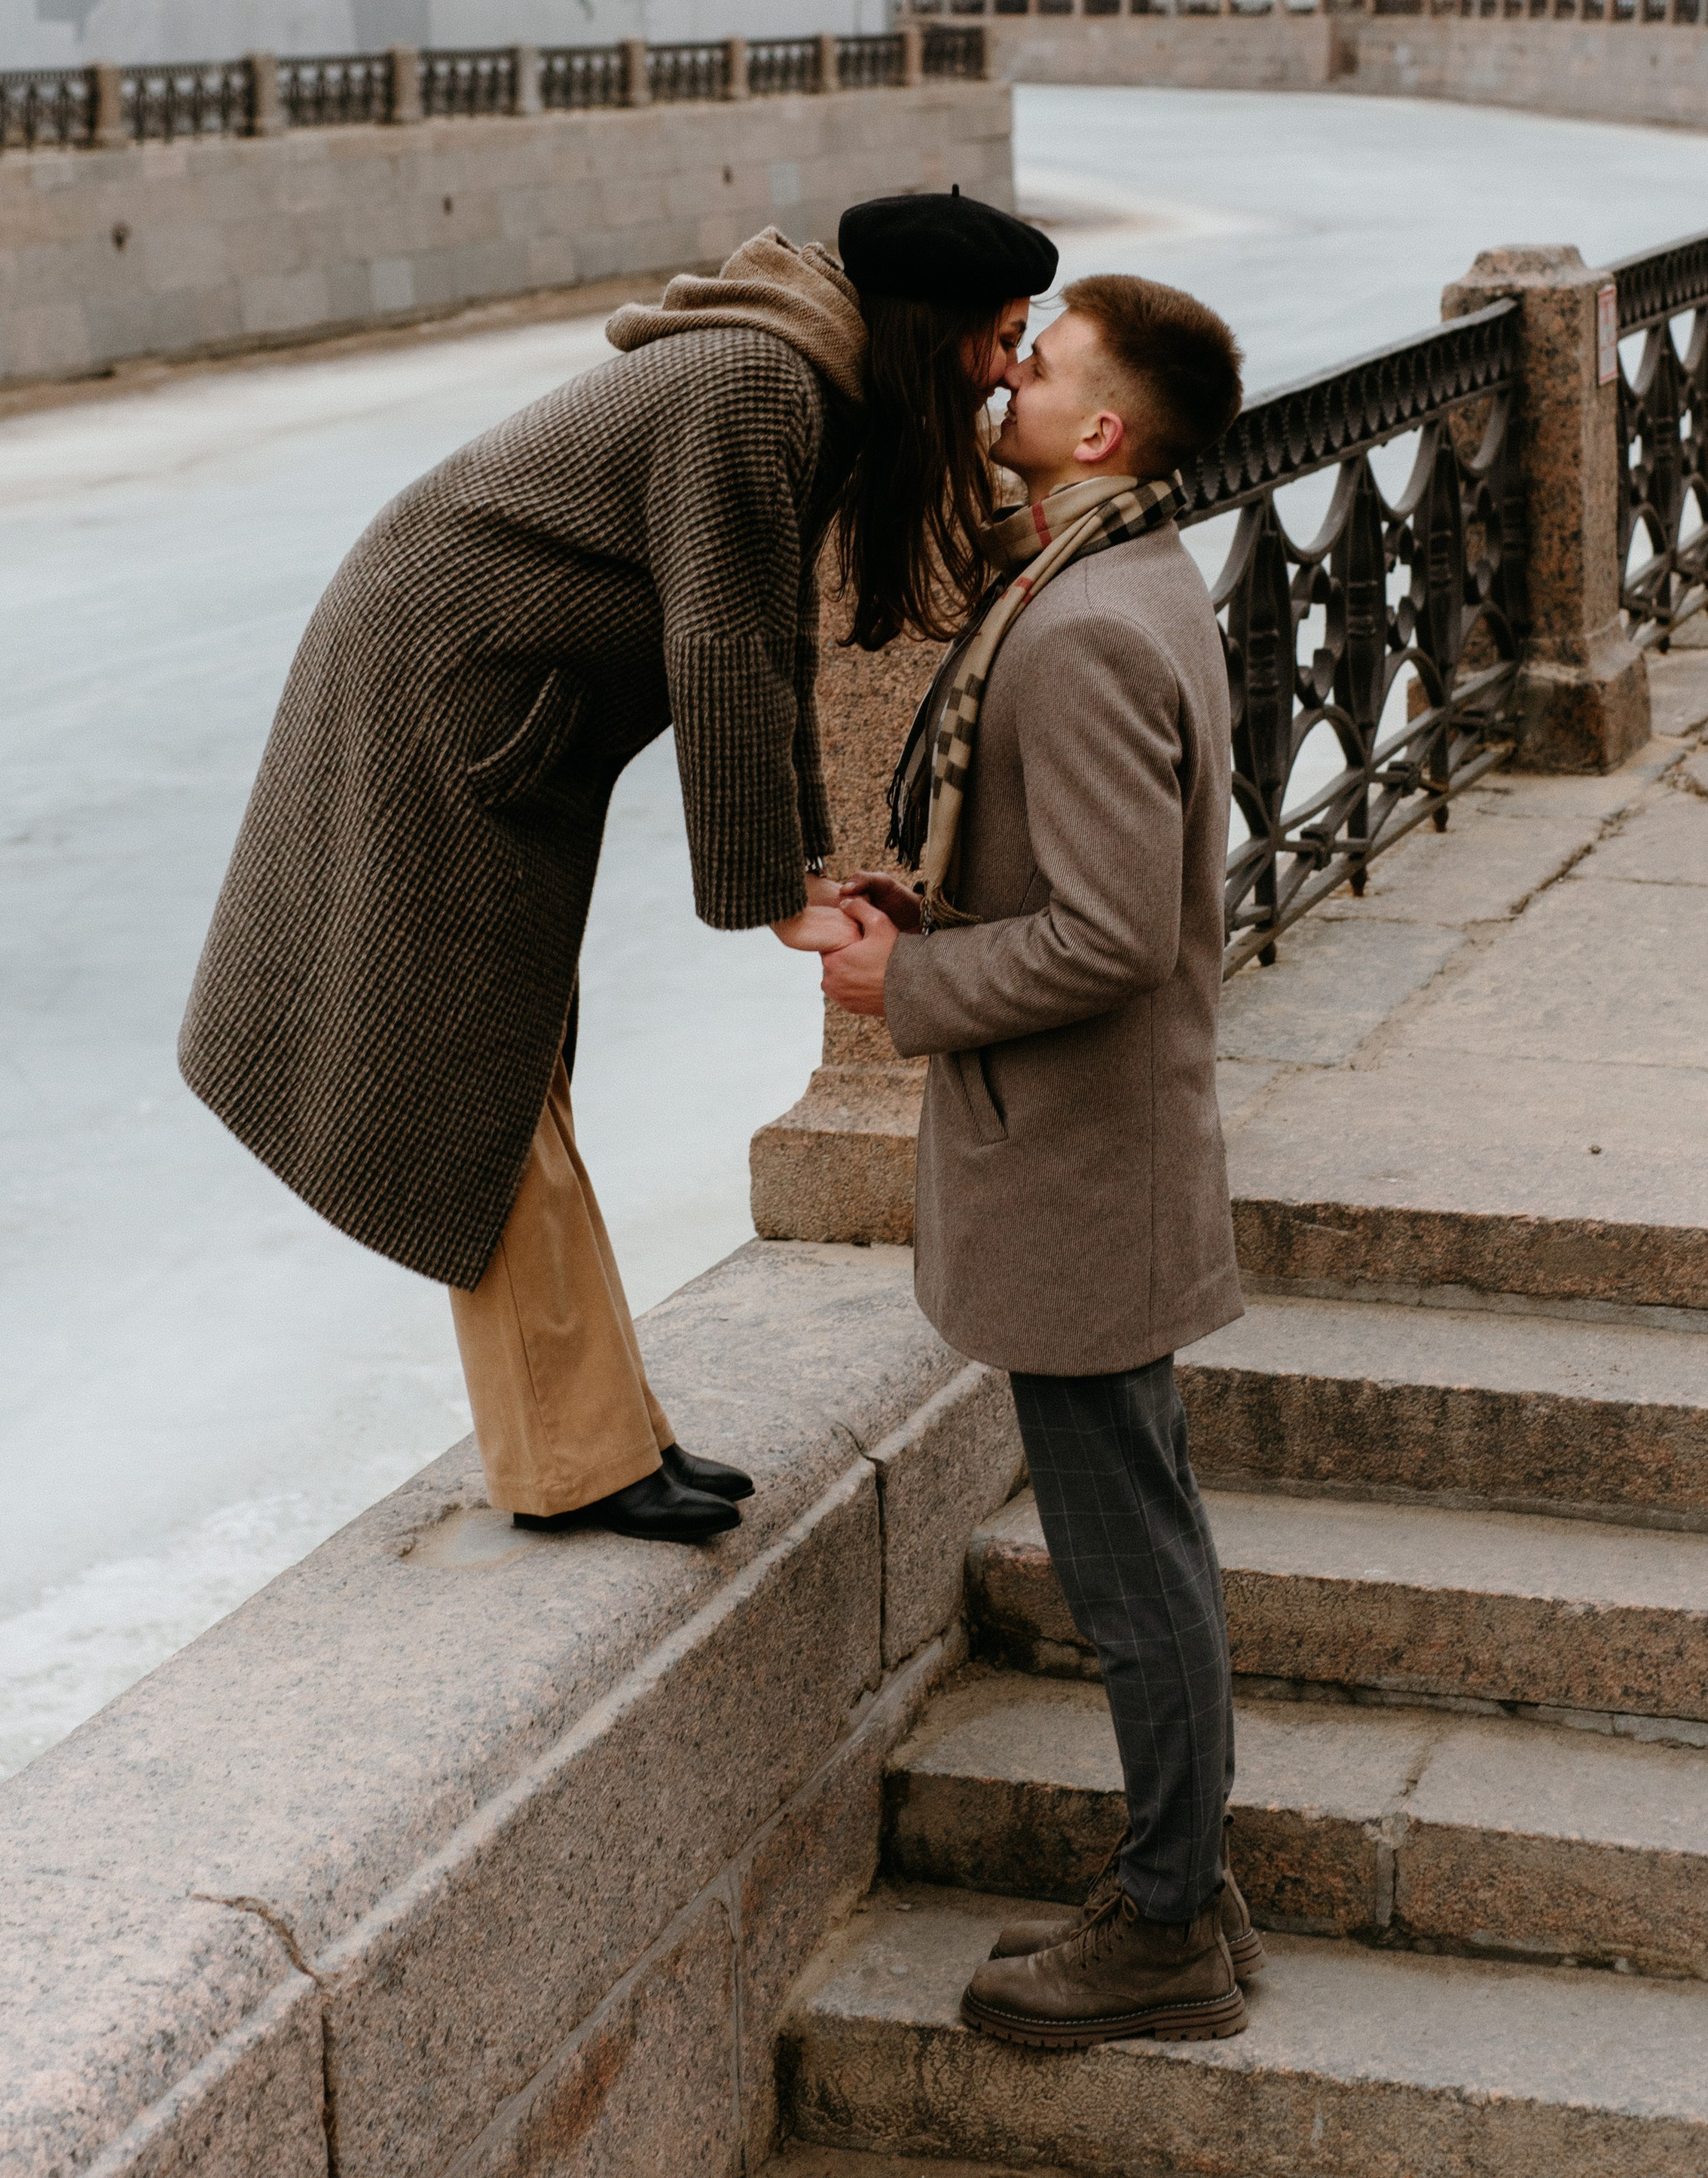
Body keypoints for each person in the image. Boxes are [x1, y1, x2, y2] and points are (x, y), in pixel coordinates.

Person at [179, 197, 1057, 1547]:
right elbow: (716, 647)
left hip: (483, 701)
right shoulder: (762, 384)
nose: (1009, 369)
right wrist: (772, 894)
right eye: (1000, 340)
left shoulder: (799, 378)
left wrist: (801, 865)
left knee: (518, 1072)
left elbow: (767, 644)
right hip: (441, 702)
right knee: (485, 1086)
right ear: (932, 329)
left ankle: (597, 1432)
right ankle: (572, 1464)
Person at [823, 271, 1254, 2045]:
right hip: (1100, 1155)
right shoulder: (1122, 578)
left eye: (1039, 364)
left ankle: (1161, 1926)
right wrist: (935, 899)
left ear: (1097, 434)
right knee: (1141, 1531)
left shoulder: (1079, 629)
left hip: (1081, 1170)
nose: (1001, 378)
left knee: (1127, 1561)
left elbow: (1107, 938)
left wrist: (900, 979)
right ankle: (1187, 1896)